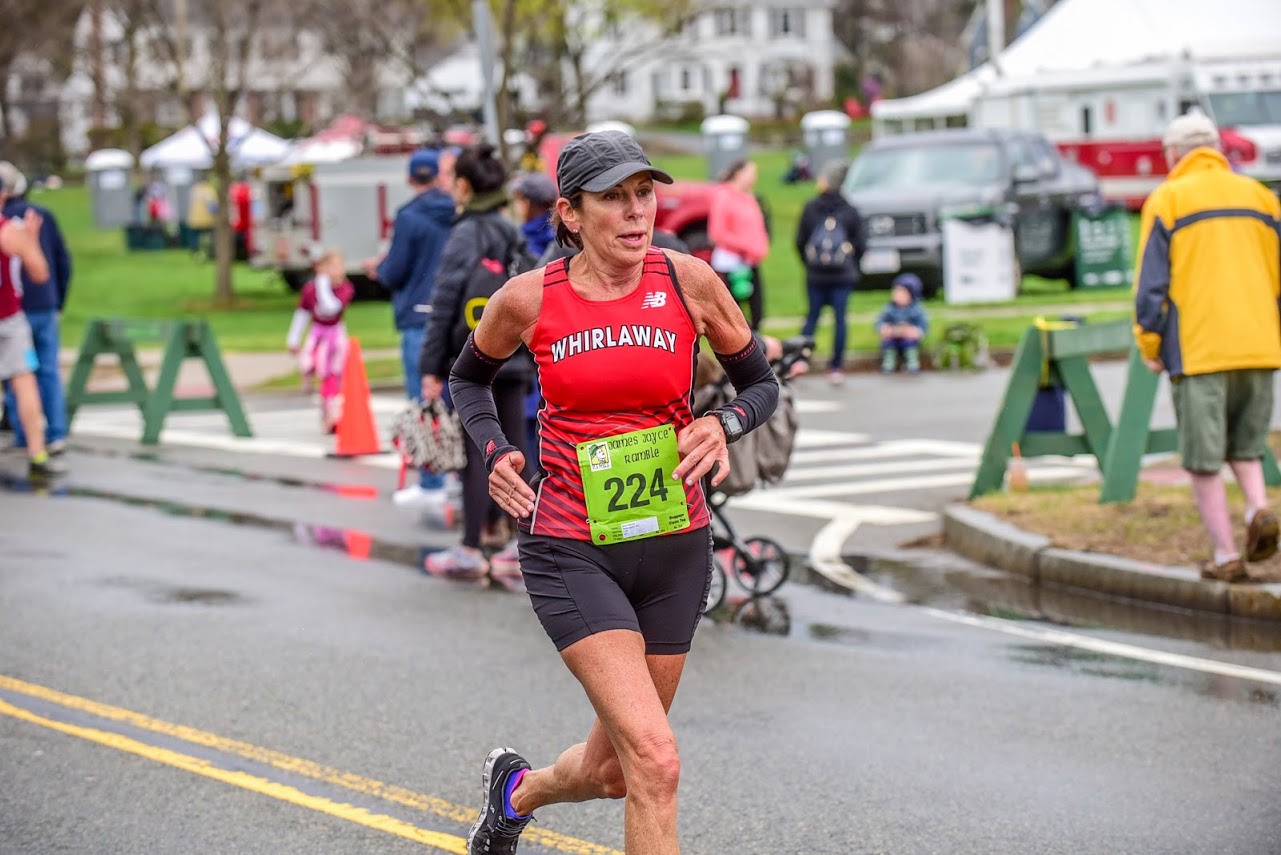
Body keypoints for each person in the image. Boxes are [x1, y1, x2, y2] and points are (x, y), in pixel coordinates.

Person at [448, 129, 778, 855]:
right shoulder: (529, 299)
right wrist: (498, 449)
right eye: (613, 199)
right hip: (572, 545)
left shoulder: (688, 281)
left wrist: (723, 423)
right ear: (570, 213)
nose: (636, 213)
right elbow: (466, 378)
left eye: (643, 194)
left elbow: (760, 383)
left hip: (674, 548)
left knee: (613, 772)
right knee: (657, 761)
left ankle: (515, 793)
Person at [1134, 111, 1281, 582]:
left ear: (1174, 154)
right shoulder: (1262, 197)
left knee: (1202, 460)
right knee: (1247, 446)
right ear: (1217, 149)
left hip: (1199, 349)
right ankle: (1258, 510)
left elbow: (1151, 285)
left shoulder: (1167, 199)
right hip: (1260, 343)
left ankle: (1224, 556)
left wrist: (1149, 342)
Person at [419, 143, 534, 579]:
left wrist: (431, 367)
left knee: (479, 452)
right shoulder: (511, 230)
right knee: (518, 449)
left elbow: (445, 301)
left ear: (464, 185)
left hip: (475, 360)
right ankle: (521, 545)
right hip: (517, 358)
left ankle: (470, 546)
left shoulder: (465, 234)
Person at [364, 148, 457, 508]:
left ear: (409, 179)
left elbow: (396, 270)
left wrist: (378, 269)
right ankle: (459, 478)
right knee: (458, 398)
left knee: (425, 400)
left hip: (419, 314)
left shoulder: (409, 216)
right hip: (455, 314)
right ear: (438, 176)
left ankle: (432, 481)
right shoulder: (455, 212)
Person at [1, 162, 72, 456]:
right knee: (37, 372)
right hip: (37, 306)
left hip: (18, 308)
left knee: (19, 378)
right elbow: (56, 263)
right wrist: (58, 300)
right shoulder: (34, 219)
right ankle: (48, 437)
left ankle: (21, 433)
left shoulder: (9, 224)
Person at [795, 159, 865, 385]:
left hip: (816, 274)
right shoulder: (850, 210)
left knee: (812, 317)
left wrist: (810, 263)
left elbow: (800, 241)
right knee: (840, 320)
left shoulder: (811, 208)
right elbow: (861, 243)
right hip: (842, 275)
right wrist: (851, 265)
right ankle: (835, 366)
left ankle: (800, 359)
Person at [286, 248, 355, 433]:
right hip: (317, 335)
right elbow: (302, 313)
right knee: (313, 365)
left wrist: (323, 286)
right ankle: (319, 397)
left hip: (335, 334)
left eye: (340, 266)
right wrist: (293, 339)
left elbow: (330, 308)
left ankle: (331, 413)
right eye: (332, 266)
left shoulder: (345, 288)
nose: (337, 270)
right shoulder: (310, 289)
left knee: (333, 373)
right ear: (321, 268)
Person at [707, 158, 769, 330]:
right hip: (732, 262)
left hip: (751, 261)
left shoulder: (749, 197)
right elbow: (717, 233)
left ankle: (758, 345)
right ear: (738, 173)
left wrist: (760, 247)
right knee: (737, 314)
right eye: (751, 173)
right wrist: (745, 247)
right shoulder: (724, 196)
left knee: (757, 310)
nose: (754, 178)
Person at [875, 272, 929, 374]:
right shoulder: (889, 309)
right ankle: (888, 363)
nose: (897, 295)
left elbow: (923, 325)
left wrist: (916, 331)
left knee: (910, 343)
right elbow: (880, 321)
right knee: (888, 343)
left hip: (908, 336)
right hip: (893, 335)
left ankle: (912, 363)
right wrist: (884, 328)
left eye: (902, 293)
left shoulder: (916, 310)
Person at [510, 172, 557, 259]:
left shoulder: (525, 238)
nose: (517, 205)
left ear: (527, 203)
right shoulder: (561, 233)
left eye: (519, 199)